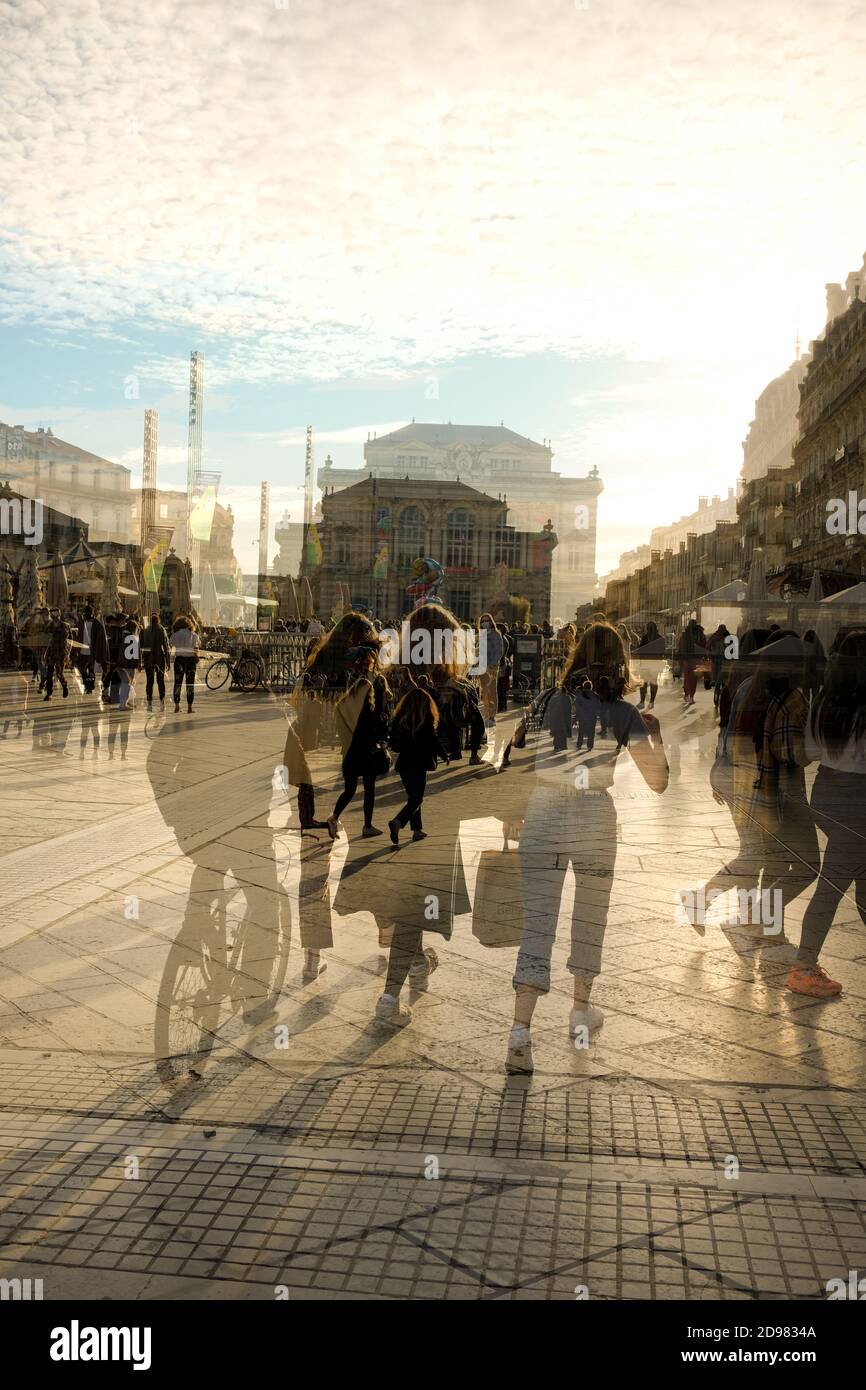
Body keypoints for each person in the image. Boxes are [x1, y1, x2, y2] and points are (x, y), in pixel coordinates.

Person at [500, 621, 669, 1075]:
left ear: (575, 657)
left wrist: (513, 810)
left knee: (537, 921)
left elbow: (512, 757)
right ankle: (580, 1008)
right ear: (621, 662)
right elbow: (658, 782)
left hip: (544, 807)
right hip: (594, 814)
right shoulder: (624, 712)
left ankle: (520, 1032)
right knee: (590, 914)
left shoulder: (545, 700)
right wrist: (658, 739)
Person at [789, 629, 866, 998]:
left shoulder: (824, 700)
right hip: (858, 801)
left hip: (827, 794)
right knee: (833, 886)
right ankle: (804, 968)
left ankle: (805, 965)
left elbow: (808, 751)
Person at [327, 645, 390, 840]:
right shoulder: (374, 683)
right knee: (369, 787)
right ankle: (367, 825)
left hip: (353, 747)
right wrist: (383, 727)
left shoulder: (355, 685)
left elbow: (340, 708)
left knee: (350, 788)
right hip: (367, 747)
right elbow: (378, 717)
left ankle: (334, 817)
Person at [387, 685, 450, 843]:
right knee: (417, 799)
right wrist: (444, 754)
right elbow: (433, 740)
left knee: (413, 796)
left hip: (404, 763)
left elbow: (394, 743)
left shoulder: (400, 719)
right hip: (420, 762)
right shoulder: (426, 718)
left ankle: (417, 830)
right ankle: (398, 822)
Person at [75, 604, 109, 695]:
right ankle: (87, 683)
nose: (85, 615)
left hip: (92, 651)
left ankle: (89, 686)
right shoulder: (81, 622)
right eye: (84, 613)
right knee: (81, 668)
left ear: (91, 613)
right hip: (82, 649)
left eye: (87, 613)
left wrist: (99, 652)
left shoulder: (97, 624)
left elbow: (101, 639)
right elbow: (78, 635)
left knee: (91, 670)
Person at [477, 613, 504, 725]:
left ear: (491, 622)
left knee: (492, 691)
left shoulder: (496, 634)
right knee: (484, 692)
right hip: (482, 666)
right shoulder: (481, 634)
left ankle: (492, 717)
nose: (485, 622)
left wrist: (492, 665)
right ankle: (486, 715)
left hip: (492, 666)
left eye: (487, 620)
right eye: (483, 620)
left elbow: (499, 651)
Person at [140, 614, 171, 709]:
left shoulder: (145, 630)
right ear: (158, 620)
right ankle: (162, 703)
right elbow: (166, 647)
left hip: (148, 659)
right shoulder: (162, 629)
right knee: (160, 681)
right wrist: (168, 661)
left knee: (149, 681)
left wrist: (140, 662)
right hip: (159, 659)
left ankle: (149, 703)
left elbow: (141, 647)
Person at [171, 615, 200, 713]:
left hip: (179, 660)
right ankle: (189, 707)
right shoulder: (194, 635)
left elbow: (172, 645)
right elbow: (196, 649)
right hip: (190, 661)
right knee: (190, 684)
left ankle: (177, 705)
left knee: (177, 683)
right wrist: (197, 657)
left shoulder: (175, 635)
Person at [43, 609, 71, 700]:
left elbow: (70, 641)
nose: (54, 615)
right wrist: (45, 654)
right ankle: (49, 694)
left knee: (59, 673)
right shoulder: (49, 626)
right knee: (49, 674)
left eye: (55, 613)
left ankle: (64, 685)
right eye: (52, 613)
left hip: (61, 653)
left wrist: (68, 654)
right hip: (51, 652)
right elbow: (46, 640)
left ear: (59, 614)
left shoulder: (65, 626)